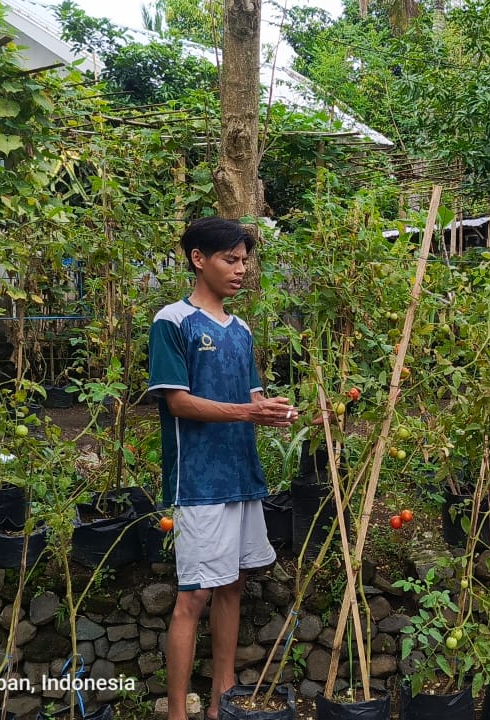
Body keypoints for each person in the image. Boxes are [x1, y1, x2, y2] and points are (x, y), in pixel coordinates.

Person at [148, 217, 298, 720]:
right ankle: (176, 712)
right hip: (200, 483)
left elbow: (253, 399)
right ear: (198, 259)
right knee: (194, 596)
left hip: (242, 476)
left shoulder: (242, 331)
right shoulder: (172, 321)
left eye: (243, 260)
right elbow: (178, 403)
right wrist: (248, 412)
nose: (240, 270)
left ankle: (221, 704)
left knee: (233, 585)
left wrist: (287, 414)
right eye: (229, 259)